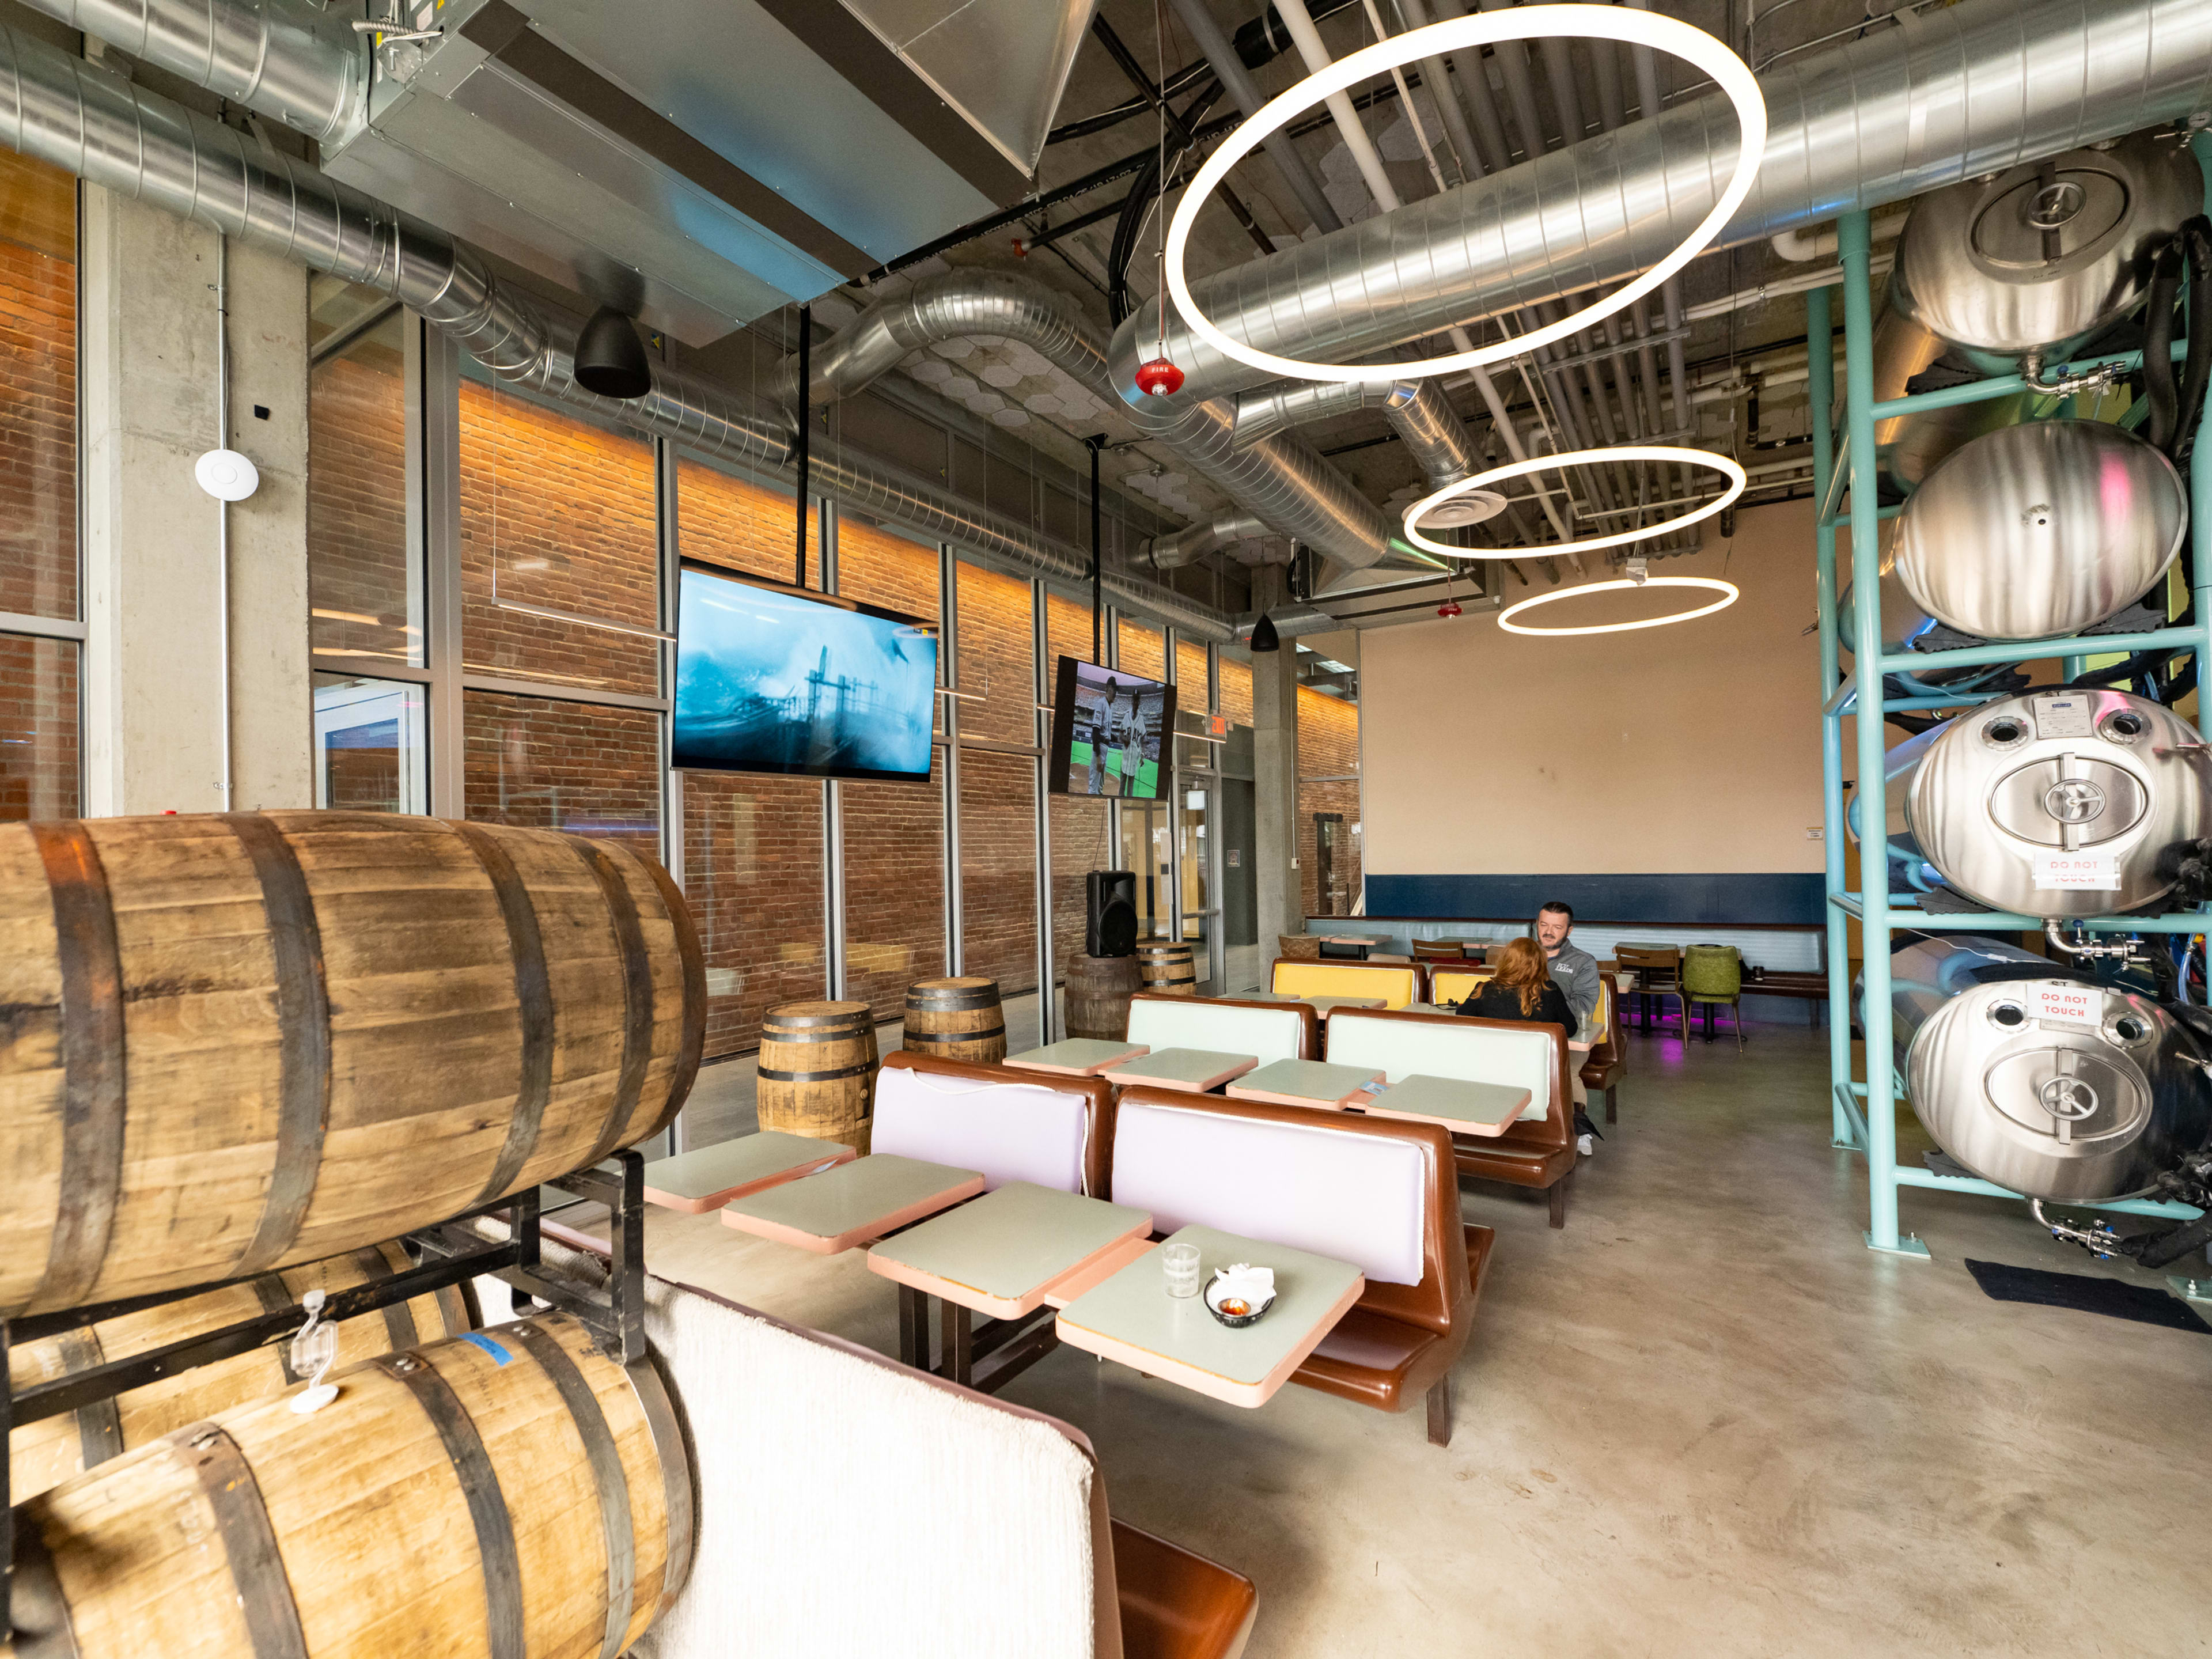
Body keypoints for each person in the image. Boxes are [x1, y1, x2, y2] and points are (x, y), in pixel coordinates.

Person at [1459, 935, 1605, 1158]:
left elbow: (1462, 1018)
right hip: (1539, 1076)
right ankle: (1579, 1130)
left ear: (1505, 962)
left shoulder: (1483, 990)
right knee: (1572, 1072)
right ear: (1540, 963)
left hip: (1491, 1074)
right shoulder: (1550, 991)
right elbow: (1570, 1028)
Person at [1537, 901, 1601, 1036]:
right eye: (1543, 925)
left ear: (1569, 931)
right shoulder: (1520, 955)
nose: (1548, 932)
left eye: (1557, 927)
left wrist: (1540, 1011)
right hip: (1522, 1031)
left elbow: (1584, 1006)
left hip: (1566, 1036)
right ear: (1537, 924)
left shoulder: (1584, 962)